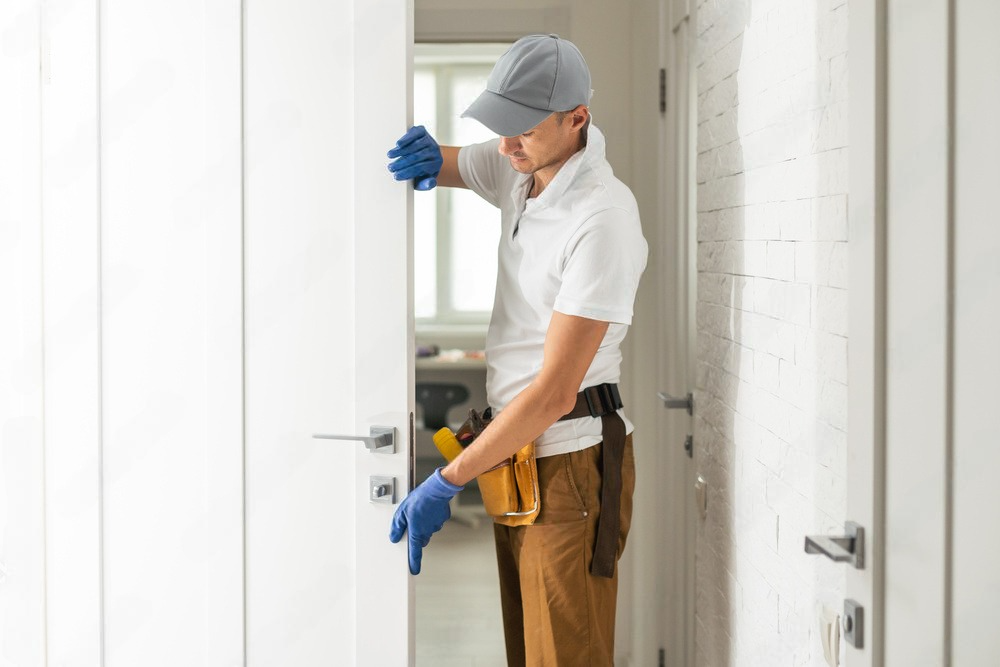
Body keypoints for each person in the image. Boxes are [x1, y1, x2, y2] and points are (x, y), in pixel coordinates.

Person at [386, 34, 648, 666]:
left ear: (576, 119)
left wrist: (448, 480)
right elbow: (449, 163)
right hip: (518, 456)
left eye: (521, 130)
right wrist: (422, 154)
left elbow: (556, 393)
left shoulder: (601, 218)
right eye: (498, 126)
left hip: (569, 468)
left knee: (565, 658)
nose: (504, 146)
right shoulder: (522, 162)